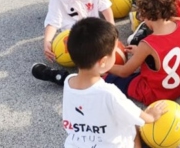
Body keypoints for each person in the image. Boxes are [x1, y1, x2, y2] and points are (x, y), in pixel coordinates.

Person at [62, 18, 166, 148]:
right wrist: (151, 116)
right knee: (133, 125)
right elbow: (135, 114)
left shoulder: (68, 82)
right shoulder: (109, 93)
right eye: (115, 51)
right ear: (103, 62)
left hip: (76, 145)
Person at [105, 0, 180, 105]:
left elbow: (123, 72)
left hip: (158, 94)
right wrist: (140, 52)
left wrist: (104, 66)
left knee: (109, 78)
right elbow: (169, 47)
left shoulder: (148, 44)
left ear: (143, 13)